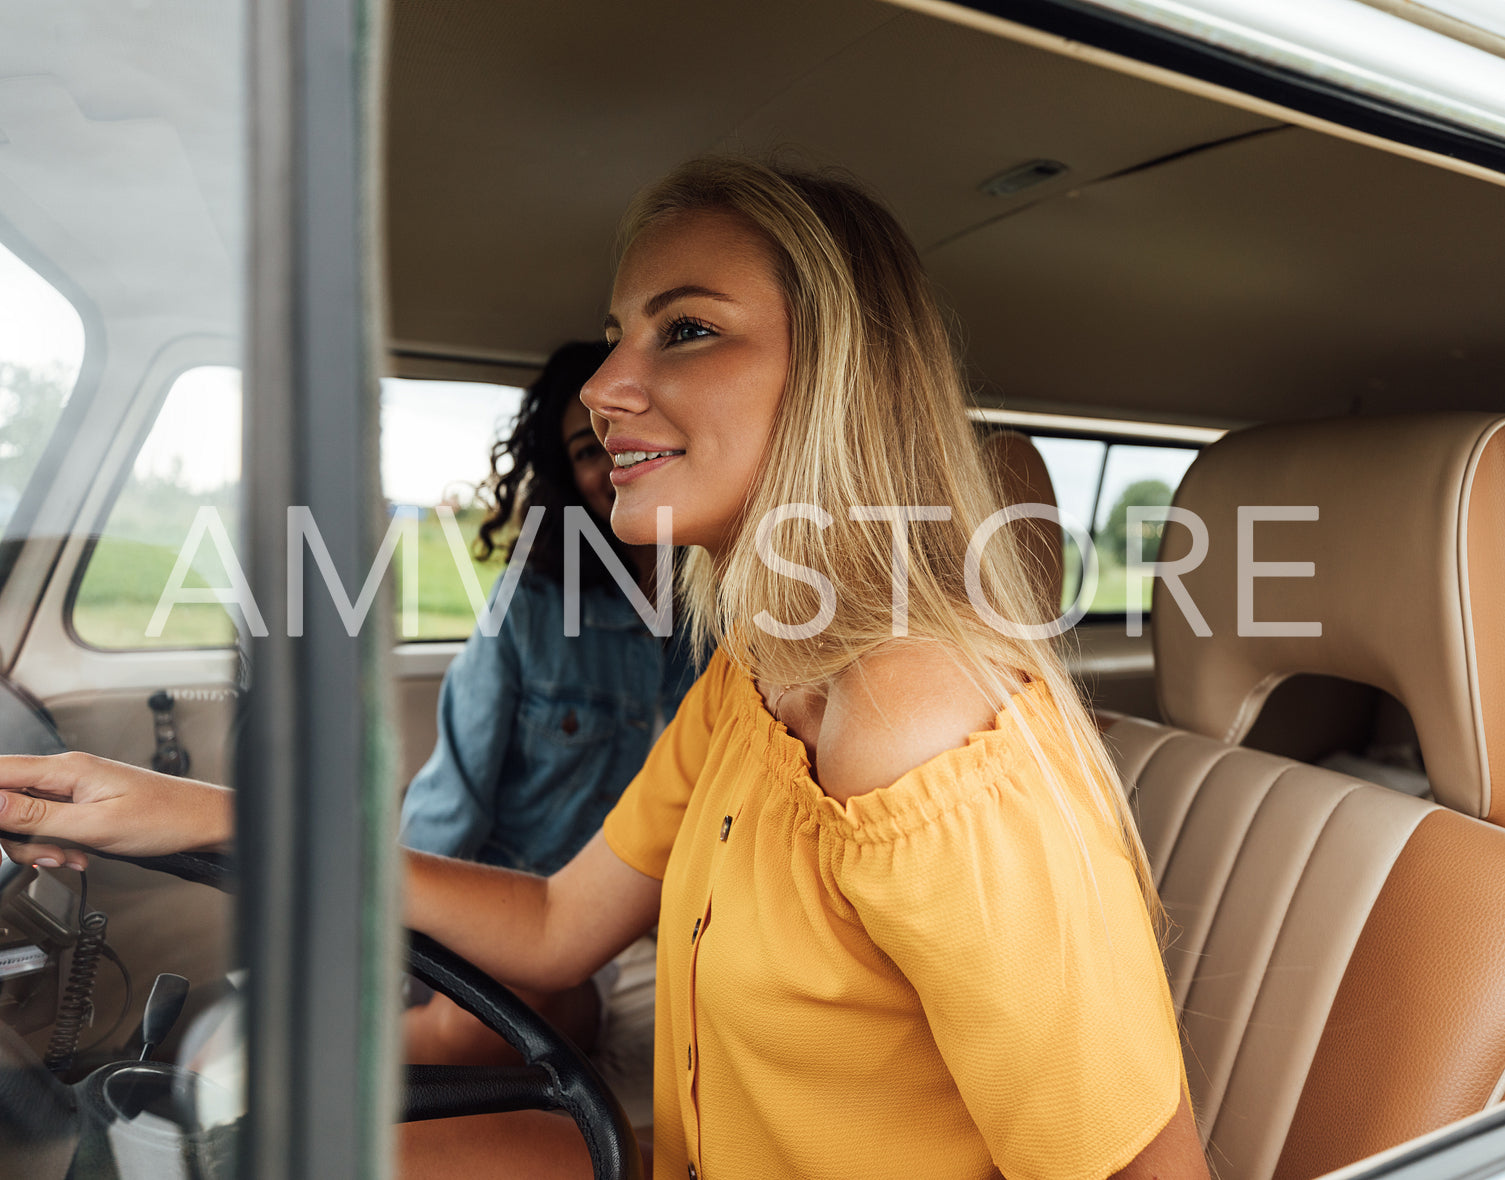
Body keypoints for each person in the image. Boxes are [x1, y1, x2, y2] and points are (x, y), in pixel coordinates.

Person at [0, 158, 1208, 1179]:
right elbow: (554, 922)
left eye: (686, 331)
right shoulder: (753, 674)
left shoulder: (911, 715)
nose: (603, 386)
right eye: (624, 332)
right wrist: (179, 808)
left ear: (839, 378)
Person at [399, 340, 694, 1102]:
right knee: (475, 1023)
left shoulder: (736, 623)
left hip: (661, 932)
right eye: (584, 447)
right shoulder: (531, 607)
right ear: (566, 476)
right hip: (526, 913)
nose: (613, 456)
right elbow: (451, 798)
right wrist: (403, 962)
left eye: (627, 431)